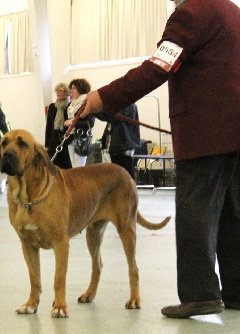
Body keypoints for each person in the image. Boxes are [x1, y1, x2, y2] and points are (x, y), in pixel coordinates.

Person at [81, 0, 240, 318]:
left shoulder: (191, 14)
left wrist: (103, 97)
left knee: (196, 213)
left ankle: (200, 294)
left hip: (205, 132)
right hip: (236, 132)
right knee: (233, 214)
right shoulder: (232, 11)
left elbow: (157, 67)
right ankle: (236, 292)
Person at [99, 104, 140, 179]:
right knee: (118, 177)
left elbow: (111, 116)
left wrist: (94, 110)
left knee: (125, 177)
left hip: (123, 146)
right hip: (118, 146)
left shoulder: (128, 104)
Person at [65, 79, 95, 167]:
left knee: (78, 167)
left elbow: (90, 122)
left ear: (81, 89)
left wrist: (73, 122)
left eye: (73, 88)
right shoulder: (71, 104)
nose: (71, 91)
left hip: (82, 138)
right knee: (73, 168)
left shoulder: (87, 103)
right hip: (71, 138)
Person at [45, 83, 72, 169]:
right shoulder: (52, 107)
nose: (58, 93)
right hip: (53, 140)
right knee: (54, 166)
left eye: (60, 91)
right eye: (57, 91)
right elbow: (49, 126)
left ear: (67, 93)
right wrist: (47, 144)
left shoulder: (70, 106)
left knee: (67, 165)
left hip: (65, 140)